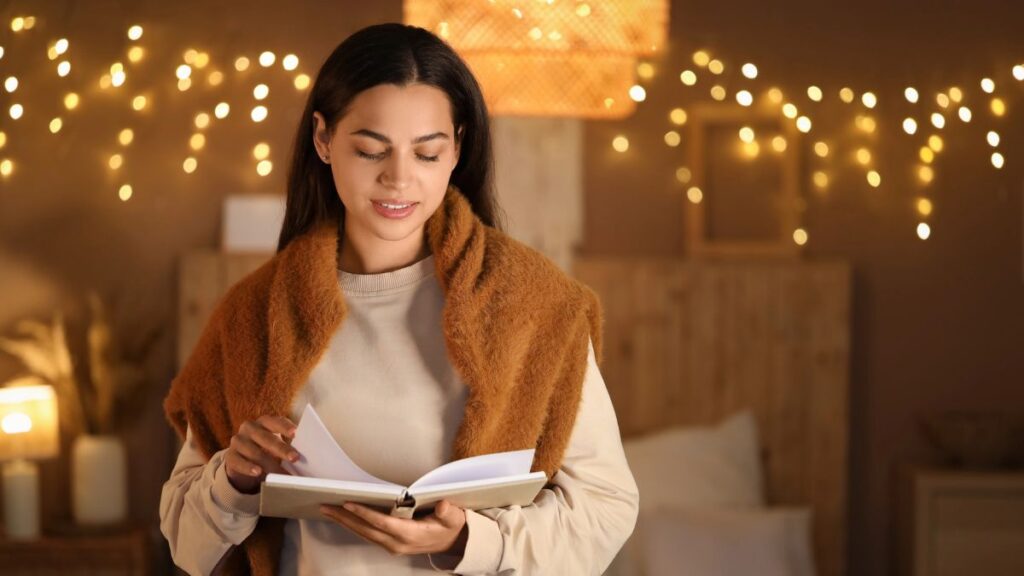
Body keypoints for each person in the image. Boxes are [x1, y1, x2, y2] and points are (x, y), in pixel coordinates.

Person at [159, 22, 638, 575]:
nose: (399, 179)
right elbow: (186, 543)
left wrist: (471, 544)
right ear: (323, 139)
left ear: (458, 147)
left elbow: (606, 508)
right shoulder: (253, 315)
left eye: (427, 154)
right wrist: (233, 479)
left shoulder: (537, 306)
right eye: (370, 151)